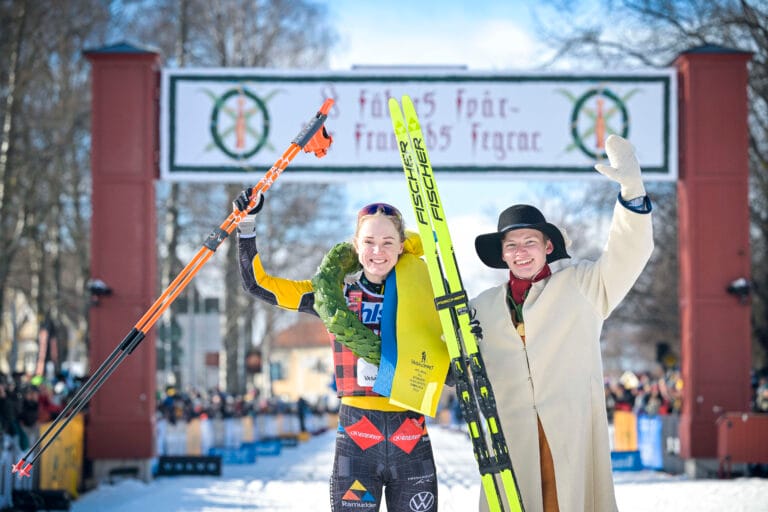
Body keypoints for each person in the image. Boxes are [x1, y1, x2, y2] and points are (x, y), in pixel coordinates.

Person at [470, 134, 654, 512]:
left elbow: (628, 254)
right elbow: (449, 357)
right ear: (503, 255)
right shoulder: (481, 307)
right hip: (509, 437)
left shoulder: (583, 285)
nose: (521, 252)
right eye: (512, 246)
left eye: (529, 242)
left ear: (548, 246)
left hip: (568, 432)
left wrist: (632, 193)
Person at [234, 196, 449, 512]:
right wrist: (246, 225)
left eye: (388, 242)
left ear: (403, 246)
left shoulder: (424, 297)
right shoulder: (332, 297)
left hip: (410, 435)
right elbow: (258, 284)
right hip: (357, 437)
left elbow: (451, 361)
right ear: (356, 246)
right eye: (369, 241)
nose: (378, 251)